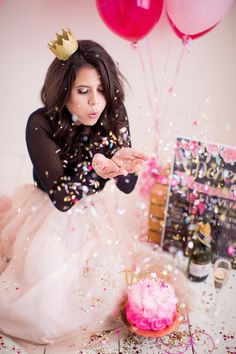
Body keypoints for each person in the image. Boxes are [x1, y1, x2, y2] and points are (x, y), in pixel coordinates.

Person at [0, 29, 150, 347]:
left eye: (102, 90)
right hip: (47, 214)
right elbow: (63, 199)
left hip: (96, 215)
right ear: (63, 90)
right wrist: (99, 170)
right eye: (83, 91)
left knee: (106, 289)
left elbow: (126, 185)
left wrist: (122, 164)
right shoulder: (40, 123)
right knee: (42, 311)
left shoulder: (112, 114)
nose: (95, 102)